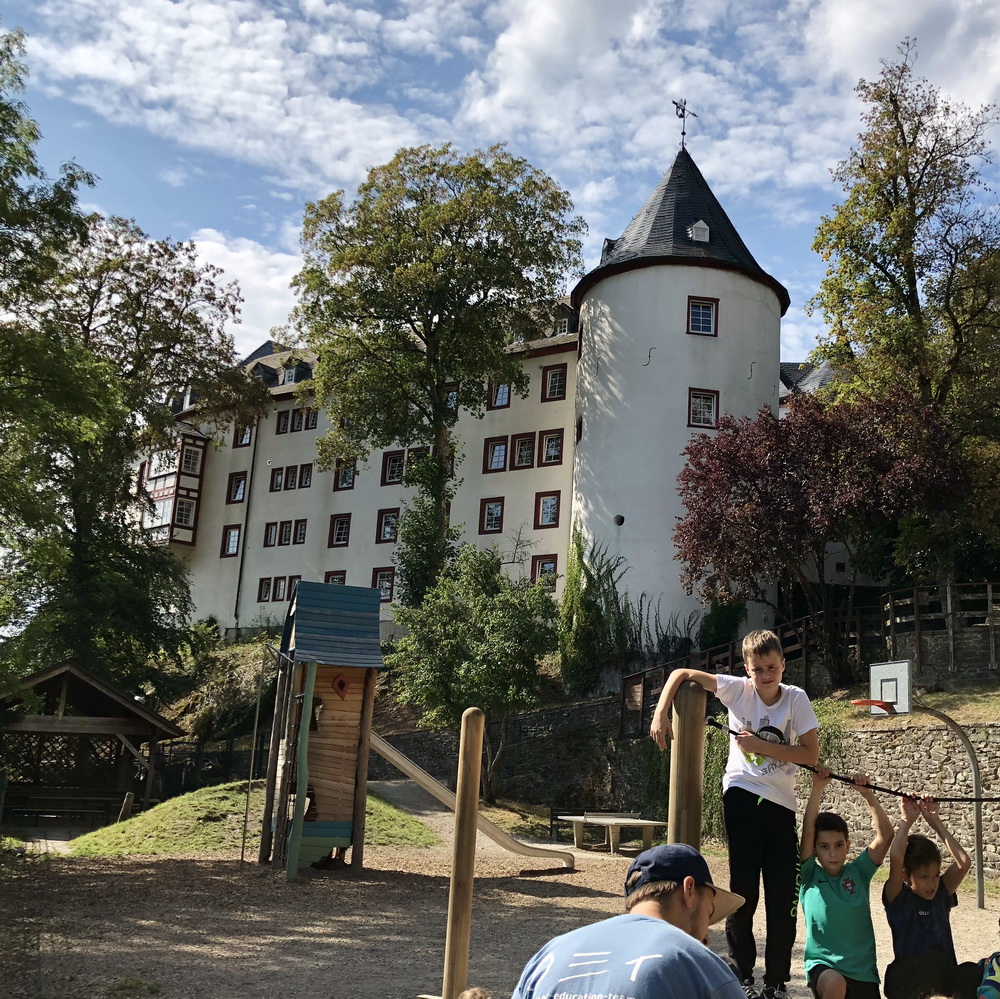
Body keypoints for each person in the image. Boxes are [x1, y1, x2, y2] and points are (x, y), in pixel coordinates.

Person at [650, 629, 819, 999]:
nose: (765, 675)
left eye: (772, 667)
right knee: (744, 892)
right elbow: (682, 673)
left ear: (783, 664)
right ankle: (742, 977)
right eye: (757, 669)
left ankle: (776, 982)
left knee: (782, 898)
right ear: (747, 669)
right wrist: (661, 713)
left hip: (782, 805)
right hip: (742, 795)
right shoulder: (737, 690)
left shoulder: (796, 698)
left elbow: (810, 754)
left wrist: (760, 745)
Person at [510, 843, 747, 999]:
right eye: (710, 912)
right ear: (689, 890)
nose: (707, 939)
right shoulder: (698, 965)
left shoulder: (550, 954)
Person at [799, 766, 894, 999]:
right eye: (824, 846)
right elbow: (808, 832)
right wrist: (817, 788)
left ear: (848, 846)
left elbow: (886, 836)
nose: (832, 853)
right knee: (834, 984)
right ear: (814, 849)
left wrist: (868, 794)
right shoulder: (809, 876)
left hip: (863, 974)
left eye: (839, 845)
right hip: (825, 967)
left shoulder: (859, 872)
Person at [883, 795, 981, 999]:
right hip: (909, 981)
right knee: (931, 962)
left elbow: (963, 862)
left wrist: (935, 820)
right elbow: (896, 857)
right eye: (924, 877)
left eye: (936, 875)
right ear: (906, 876)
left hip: (943, 978)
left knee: (973, 972)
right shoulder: (899, 899)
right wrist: (906, 821)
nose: (932, 883)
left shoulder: (941, 895)